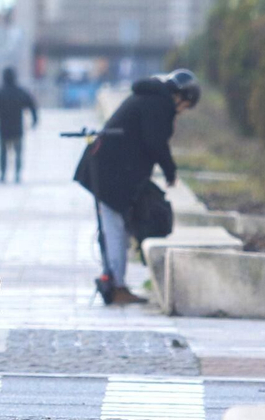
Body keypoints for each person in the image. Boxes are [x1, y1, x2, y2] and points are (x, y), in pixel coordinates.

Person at [75, 69, 198, 306]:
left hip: (108, 169)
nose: (181, 112)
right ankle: (117, 286)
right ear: (182, 97)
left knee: (116, 227)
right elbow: (156, 143)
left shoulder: (150, 98)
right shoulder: (159, 104)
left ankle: (115, 280)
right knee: (115, 229)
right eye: (185, 106)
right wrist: (170, 171)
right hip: (108, 172)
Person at [0, 67, 39, 184]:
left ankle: (3, 174)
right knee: (18, 152)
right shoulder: (20, 92)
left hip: (4, 129)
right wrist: (34, 120)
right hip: (17, 128)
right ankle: (17, 173)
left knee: (3, 152)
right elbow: (32, 105)